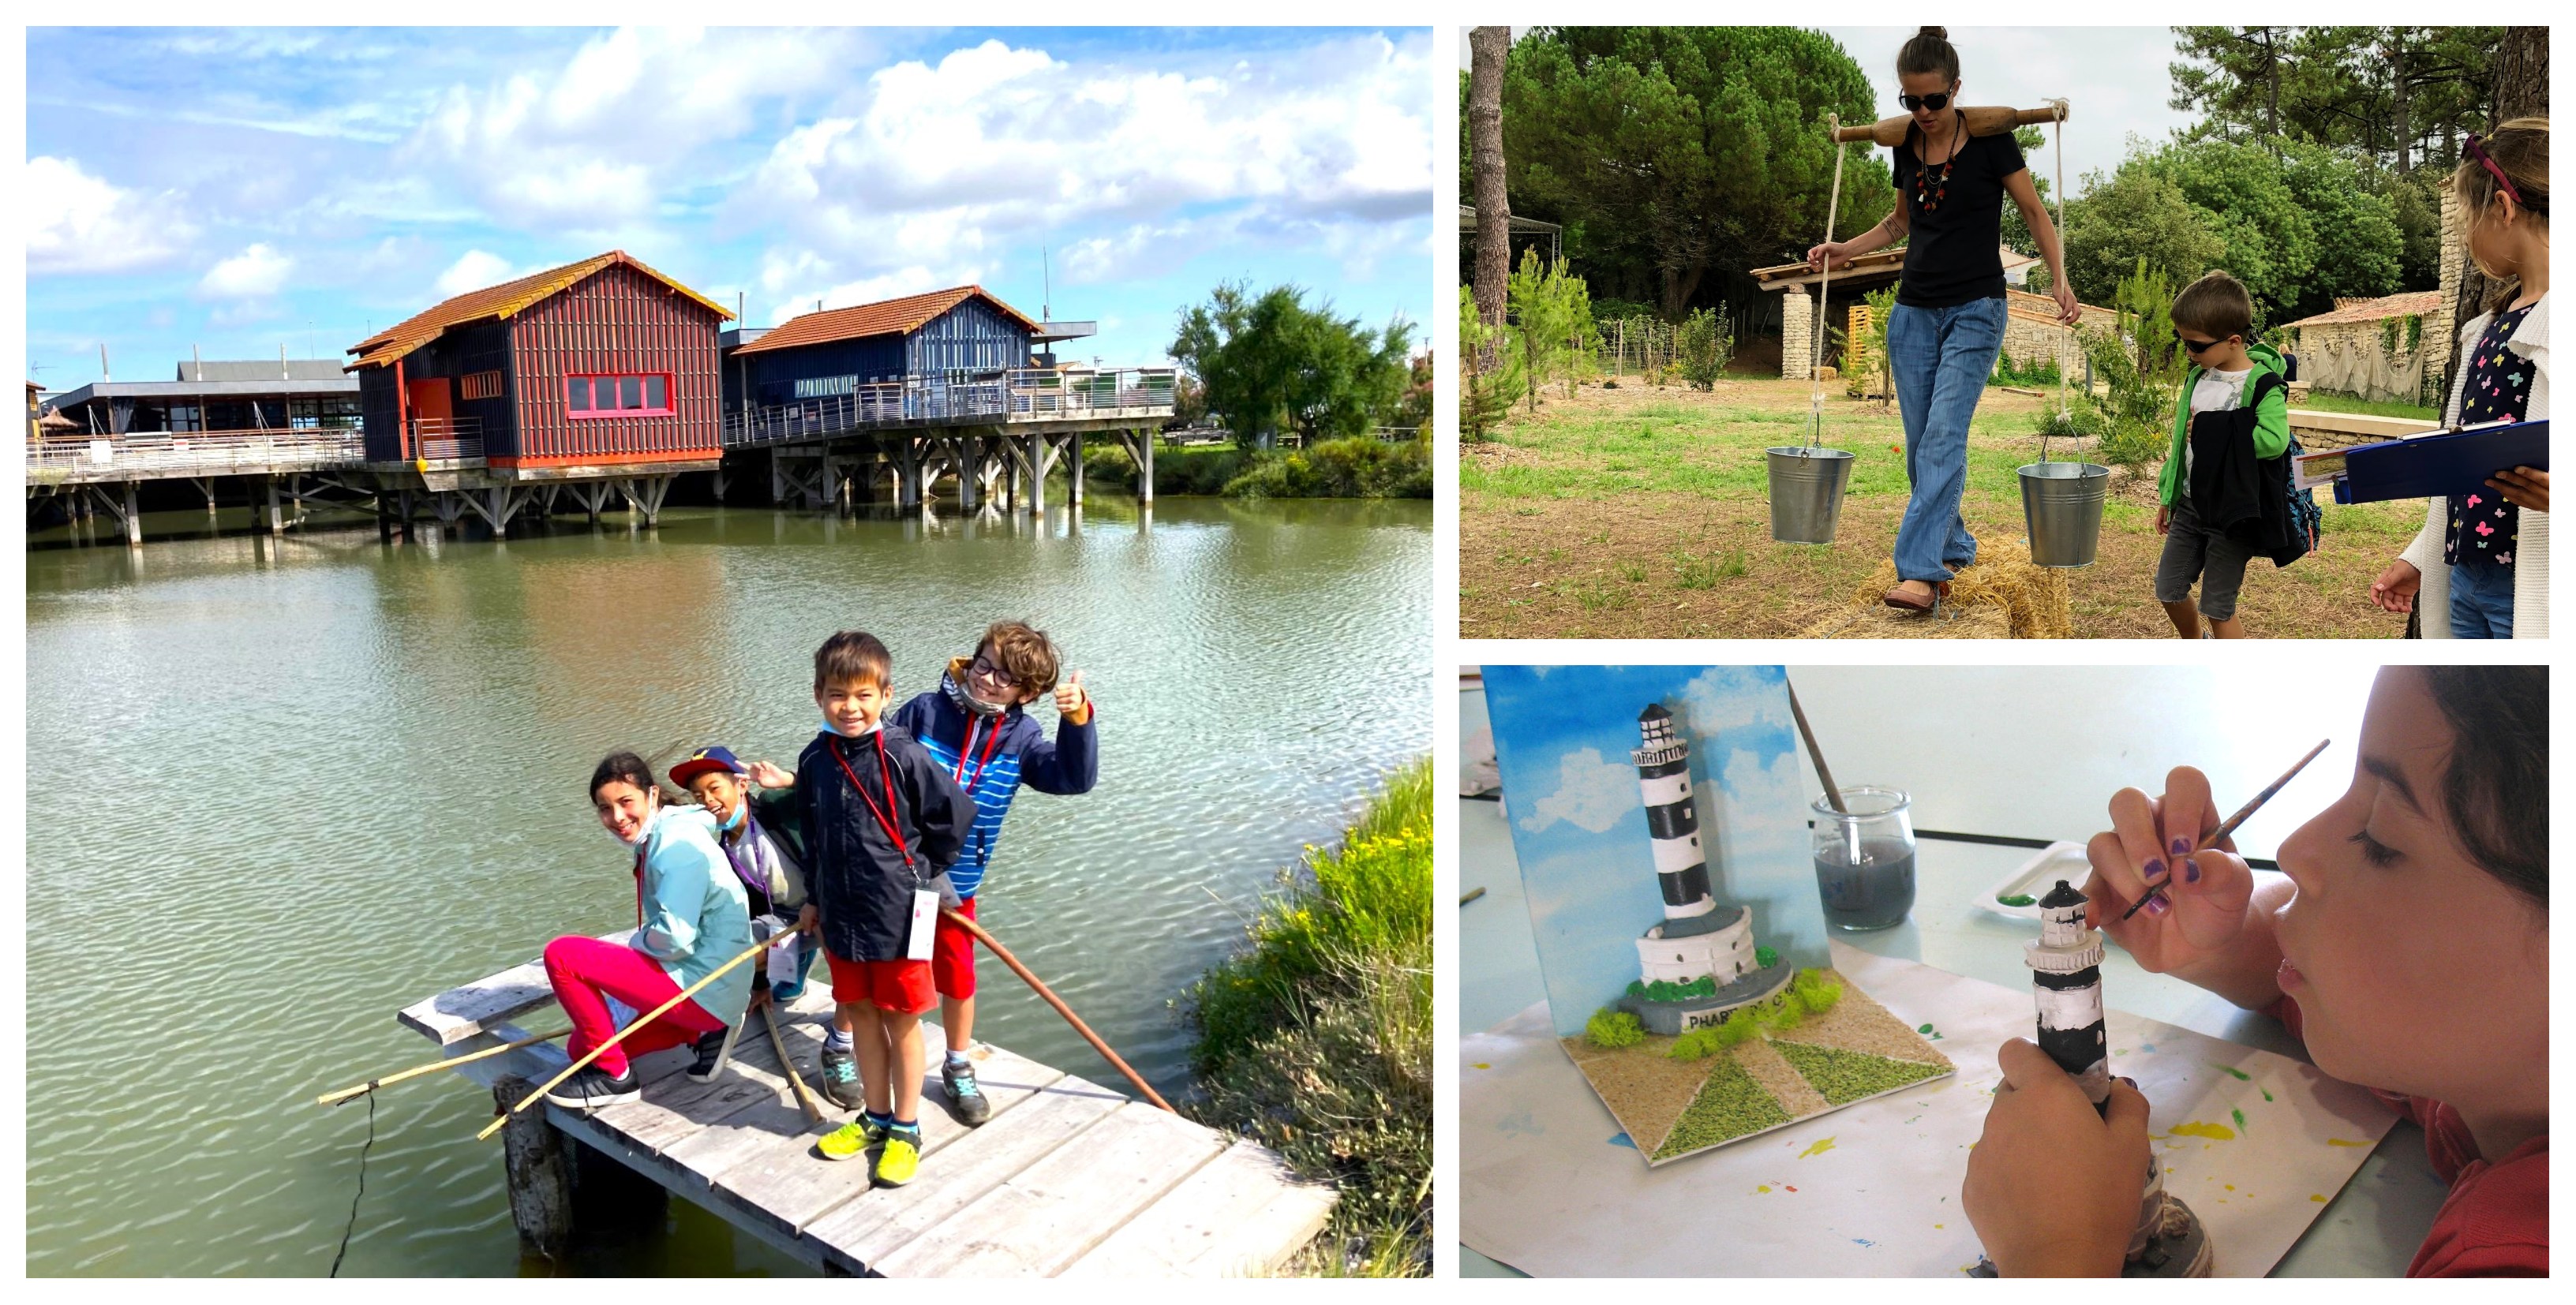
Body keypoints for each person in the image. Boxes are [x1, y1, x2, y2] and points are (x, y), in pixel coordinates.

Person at [1964, 666, 2545, 1276]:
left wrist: (2055, 1256)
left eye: (2380, 840)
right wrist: (2226, 940)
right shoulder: (2495, 1068)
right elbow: (2359, 987)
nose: (2295, 849)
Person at [1807, 26, 2081, 611]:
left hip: (1976, 309)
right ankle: (1954, 542)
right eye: (1911, 100)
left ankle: (1922, 572)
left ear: (1956, 88)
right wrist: (1844, 250)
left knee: (1942, 437)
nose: (1924, 111)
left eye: (1934, 99)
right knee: (1918, 445)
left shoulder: (1992, 143)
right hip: (1911, 313)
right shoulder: (1904, 144)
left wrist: (2059, 277)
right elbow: (1900, 222)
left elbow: (2034, 212)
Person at [891, 621, 1099, 1125]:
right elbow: (876, 767)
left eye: (1004, 677)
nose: (986, 679)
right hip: (896, 876)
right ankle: (844, 1043)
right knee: (888, 970)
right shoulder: (923, 710)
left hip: (957, 887)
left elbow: (1073, 780)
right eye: (983, 665)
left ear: (1027, 692)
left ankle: (958, 1067)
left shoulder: (1023, 737)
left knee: (957, 978)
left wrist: (1078, 720)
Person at [795, 631, 972, 1184]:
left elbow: (952, 820)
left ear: (886, 694)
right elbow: (813, 837)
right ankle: (874, 1118)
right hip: (842, 915)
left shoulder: (903, 753)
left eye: (863, 695)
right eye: (837, 695)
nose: (850, 707)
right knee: (863, 1016)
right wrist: (814, 899)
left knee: (902, 1020)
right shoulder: (814, 759)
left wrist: (919, 873)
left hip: (902, 913)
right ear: (818, 695)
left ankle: (908, 1127)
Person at [2370, 118, 2549, 639]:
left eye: (2468, 217)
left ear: (2503, 209)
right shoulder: (2488, 328)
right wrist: (2420, 557)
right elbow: (2462, 473)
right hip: (2466, 578)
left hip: (2537, 589)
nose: (2465, 235)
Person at [540, 752, 755, 1109]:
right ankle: (698, 1031)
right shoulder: (660, 835)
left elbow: (675, 938)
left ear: (652, 795)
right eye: (605, 808)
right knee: (582, 1050)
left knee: (562, 955)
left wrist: (635, 947)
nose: (617, 817)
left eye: (626, 802)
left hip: (705, 985)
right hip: (716, 986)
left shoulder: (673, 844)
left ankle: (617, 1078)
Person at [2153, 271, 2294, 639]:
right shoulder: (2197, 380)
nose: (2188, 353)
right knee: (2168, 589)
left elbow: (2274, 441)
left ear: (2233, 341)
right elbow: (2181, 442)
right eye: (2183, 342)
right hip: (2189, 506)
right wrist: (2169, 493)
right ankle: (2196, 649)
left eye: (2196, 346)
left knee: (2218, 607)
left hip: (2231, 514)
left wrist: (2212, 433)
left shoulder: (2263, 385)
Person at [671, 746, 819, 1008]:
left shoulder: (775, 805)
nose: (707, 800)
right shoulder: (723, 852)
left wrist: (789, 780)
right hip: (786, 917)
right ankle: (796, 959)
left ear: (741, 785)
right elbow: (747, 912)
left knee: (847, 969)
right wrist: (760, 985)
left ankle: (846, 1031)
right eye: (698, 795)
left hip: (828, 903)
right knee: (726, 951)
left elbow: (827, 791)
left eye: (715, 789)